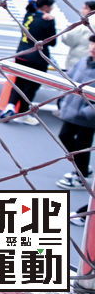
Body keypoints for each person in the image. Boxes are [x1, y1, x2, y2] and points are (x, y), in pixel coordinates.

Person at [1, 0, 58, 125]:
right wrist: (51, 22)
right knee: (32, 86)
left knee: (19, 82)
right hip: (37, 58)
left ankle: (10, 105)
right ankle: (22, 113)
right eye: (50, 7)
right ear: (45, 7)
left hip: (22, 54)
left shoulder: (28, 15)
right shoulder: (47, 20)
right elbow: (52, 42)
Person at [56, 34, 95, 191]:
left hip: (88, 116)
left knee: (83, 143)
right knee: (64, 136)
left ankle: (81, 175)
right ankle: (82, 166)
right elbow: (69, 80)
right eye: (92, 44)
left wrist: (87, 113)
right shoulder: (83, 61)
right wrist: (62, 98)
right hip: (73, 111)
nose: (93, 48)